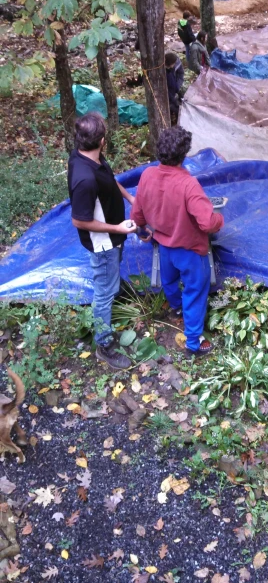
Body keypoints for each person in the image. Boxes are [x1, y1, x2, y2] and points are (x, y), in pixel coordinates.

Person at [130, 126, 224, 357]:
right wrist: (219, 219)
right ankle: (193, 341)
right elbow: (206, 222)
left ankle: (176, 308)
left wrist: (143, 232)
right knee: (195, 288)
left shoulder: (147, 175)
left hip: (163, 245)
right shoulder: (188, 184)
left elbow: (137, 215)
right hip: (189, 249)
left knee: (169, 281)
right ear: (184, 155)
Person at [68, 113, 138, 370]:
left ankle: (115, 285)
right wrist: (117, 227)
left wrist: (131, 199)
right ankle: (104, 345)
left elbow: (108, 178)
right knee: (103, 295)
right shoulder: (84, 179)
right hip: (103, 243)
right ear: (102, 140)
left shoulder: (88, 155)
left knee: (110, 279)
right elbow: (79, 220)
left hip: (114, 238)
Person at [165, 51, 185, 124]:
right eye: (174, 63)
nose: (175, 65)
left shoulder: (171, 71)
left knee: (178, 108)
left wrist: (178, 91)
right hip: (169, 98)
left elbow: (174, 84)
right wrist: (173, 100)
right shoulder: (166, 74)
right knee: (175, 109)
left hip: (173, 94)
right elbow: (168, 90)